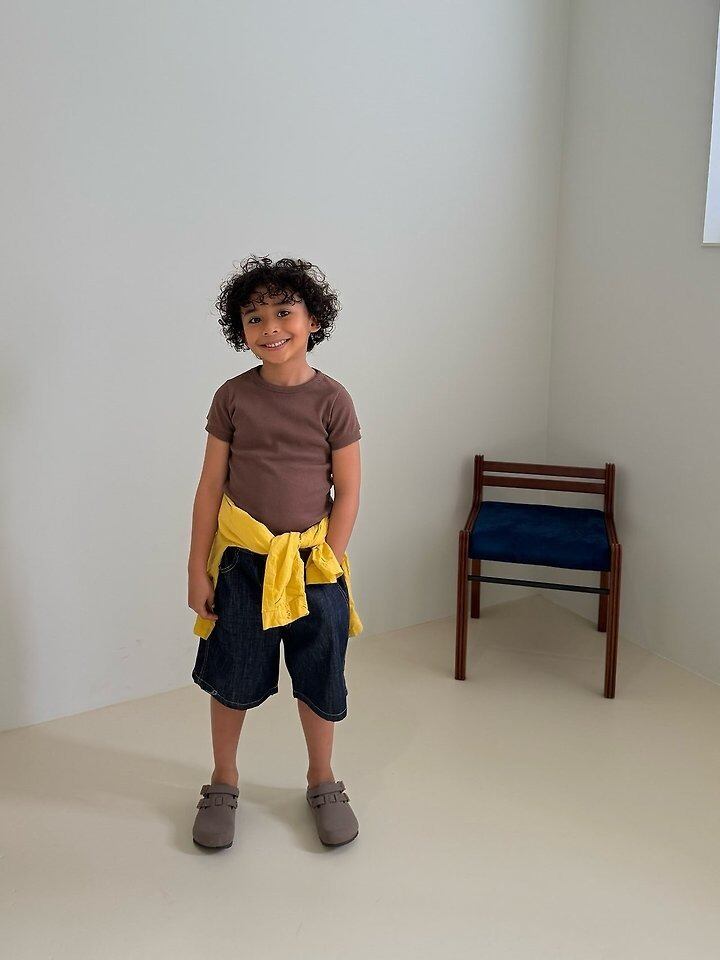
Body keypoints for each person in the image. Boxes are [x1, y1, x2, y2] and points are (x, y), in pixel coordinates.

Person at [187, 255, 363, 850]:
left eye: (284, 312)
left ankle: (322, 779)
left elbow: (348, 490)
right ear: (241, 329)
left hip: (313, 566)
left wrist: (329, 559)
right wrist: (197, 569)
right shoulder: (232, 397)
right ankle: (223, 779)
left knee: (320, 673)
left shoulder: (333, 400)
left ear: (314, 319)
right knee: (231, 675)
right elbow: (210, 487)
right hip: (241, 565)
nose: (270, 328)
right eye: (254, 317)